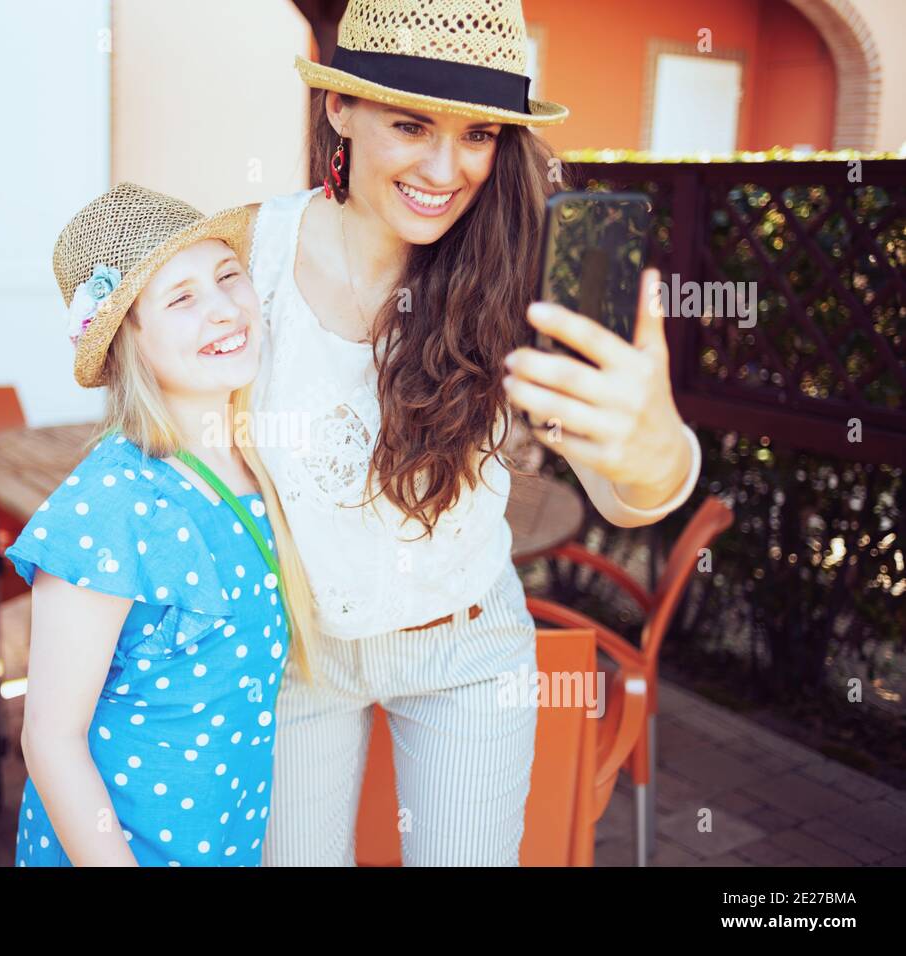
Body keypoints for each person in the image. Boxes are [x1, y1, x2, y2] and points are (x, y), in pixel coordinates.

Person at [245, 0, 702, 865]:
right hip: (297, 654)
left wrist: (657, 454)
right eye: (411, 125)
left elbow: (629, 490)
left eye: (480, 134)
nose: (446, 169)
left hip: (466, 653)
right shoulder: (249, 254)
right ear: (339, 108)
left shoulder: (520, 271)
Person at [6, 183, 318, 866]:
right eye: (180, 298)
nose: (223, 309)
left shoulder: (258, 462)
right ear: (129, 343)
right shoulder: (111, 505)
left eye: (228, 276)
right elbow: (51, 740)